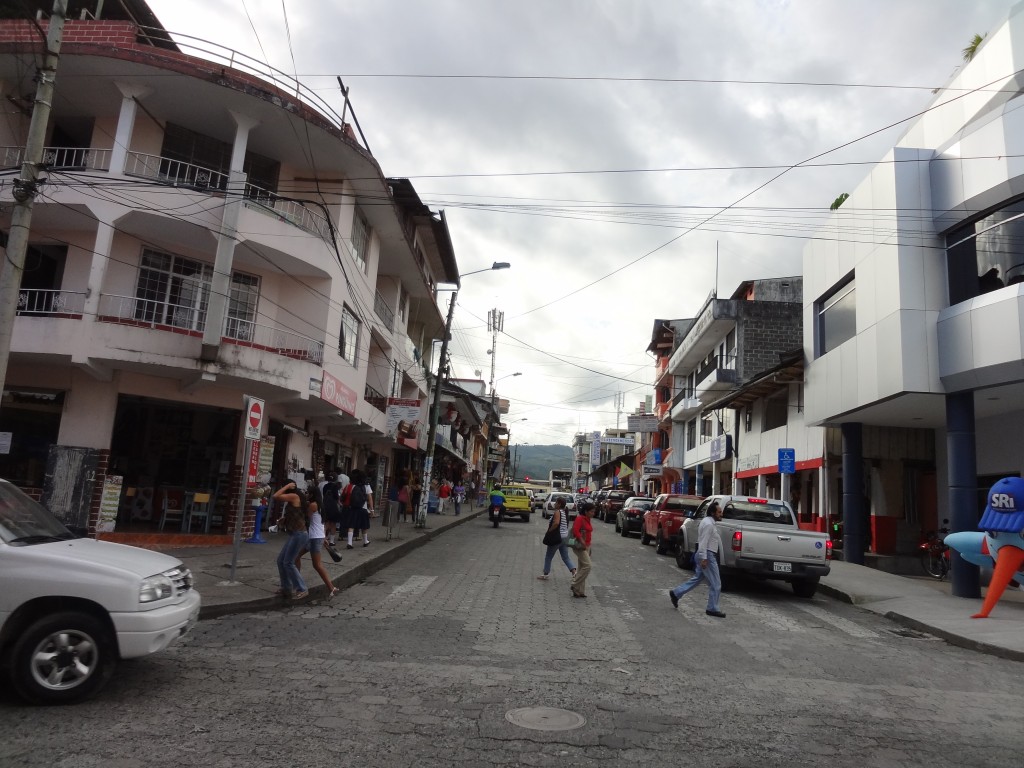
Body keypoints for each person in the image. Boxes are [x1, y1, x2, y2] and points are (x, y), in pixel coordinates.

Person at [668, 501, 725, 618]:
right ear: (713, 513)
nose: (721, 514)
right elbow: (704, 541)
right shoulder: (709, 524)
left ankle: (676, 593)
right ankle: (712, 608)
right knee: (716, 583)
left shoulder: (707, 521)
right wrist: (704, 558)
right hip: (708, 555)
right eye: (719, 512)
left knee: (697, 578)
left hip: (704, 554)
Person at [295, 486, 339, 599]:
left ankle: (331, 588)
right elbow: (321, 523)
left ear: (312, 494)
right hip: (315, 537)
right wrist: (324, 537)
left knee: (317, 565)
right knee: (296, 556)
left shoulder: (313, 505)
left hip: (315, 538)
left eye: (307, 493)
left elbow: (306, 517)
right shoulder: (319, 505)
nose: (306, 494)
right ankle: (297, 582)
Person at [272, 481, 310, 600]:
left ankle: (302, 588)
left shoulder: (294, 496)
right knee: (281, 561)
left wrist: (287, 485)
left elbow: (275, 496)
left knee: (288, 562)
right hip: (295, 533)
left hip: (299, 534)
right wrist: (285, 519)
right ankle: (286, 588)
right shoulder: (294, 499)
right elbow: (295, 514)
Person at [538, 497, 576, 581]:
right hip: (564, 537)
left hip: (557, 538)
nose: (554, 504)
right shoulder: (565, 512)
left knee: (548, 556)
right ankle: (574, 572)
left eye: (556, 503)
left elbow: (556, 523)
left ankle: (545, 574)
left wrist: (550, 531)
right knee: (565, 557)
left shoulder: (558, 512)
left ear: (559, 504)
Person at [569, 501, 596, 598]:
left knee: (582, 567)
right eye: (591, 511)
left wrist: (589, 547)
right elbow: (575, 530)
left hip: (587, 546)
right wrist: (582, 541)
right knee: (588, 566)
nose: (593, 513)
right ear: (586, 511)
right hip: (580, 546)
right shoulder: (580, 518)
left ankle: (579, 591)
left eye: (593, 511)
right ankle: (574, 583)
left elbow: (588, 533)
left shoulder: (588, 519)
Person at [345, 469, 373, 548]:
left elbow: (348, 495)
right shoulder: (366, 486)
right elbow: (370, 498)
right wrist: (372, 509)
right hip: (363, 508)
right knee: (364, 526)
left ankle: (349, 543)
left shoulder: (352, 485)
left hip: (353, 508)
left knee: (351, 525)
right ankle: (366, 541)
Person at [320, 472, 343, 547]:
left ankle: (323, 539)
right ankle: (332, 541)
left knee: (326, 523)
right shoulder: (335, 486)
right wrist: (340, 504)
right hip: (333, 506)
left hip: (325, 505)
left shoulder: (325, 486)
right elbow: (336, 497)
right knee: (333, 524)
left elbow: (324, 495)